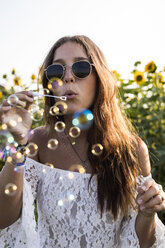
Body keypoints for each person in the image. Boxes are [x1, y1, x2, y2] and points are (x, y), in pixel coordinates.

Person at [0, 35, 165, 248]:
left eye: (80, 68)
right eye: (56, 71)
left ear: (100, 77)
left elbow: (144, 243)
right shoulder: (38, 141)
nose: (67, 77)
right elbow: (3, 218)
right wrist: (20, 142)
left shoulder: (132, 149)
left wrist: (147, 213)